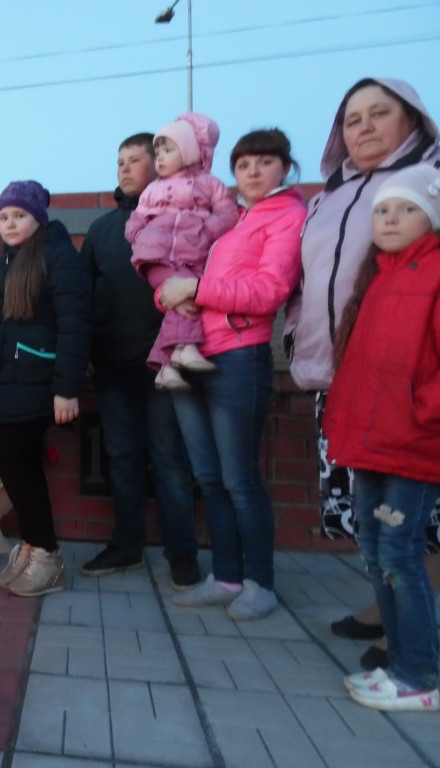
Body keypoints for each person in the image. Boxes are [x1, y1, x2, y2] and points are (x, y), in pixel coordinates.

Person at [285, 77, 440, 665]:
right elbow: (306, 277)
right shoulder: (328, 197)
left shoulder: (428, 184)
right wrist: (297, 335)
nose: (364, 127)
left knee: (416, 519)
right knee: (362, 510)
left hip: (408, 388)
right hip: (341, 375)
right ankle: (386, 608)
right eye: (352, 119)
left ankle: (413, 634)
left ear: (413, 120)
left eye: (380, 113)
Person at [159, 129, 306, 620]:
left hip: (239, 356)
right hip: (190, 355)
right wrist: (170, 291)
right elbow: (177, 277)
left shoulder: (288, 216)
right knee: (208, 476)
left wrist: (195, 289)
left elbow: (269, 290)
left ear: (285, 167)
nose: (253, 172)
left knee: (239, 477)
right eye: (243, 165)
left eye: (265, 162)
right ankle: (226, 577)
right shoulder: (229, 220)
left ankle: (260, 583)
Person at [326, 163, 440, 712]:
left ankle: (419, 675)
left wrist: (423, 414)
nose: (391, 218)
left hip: (412, 444)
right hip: (371, 441)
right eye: (382, 210)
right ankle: (398, 664)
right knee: (374, 551)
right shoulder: (379, 276)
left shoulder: (433, 273)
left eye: (407, 208)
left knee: (399, 554)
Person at [80, 133, 201, 589]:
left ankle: (182, 555)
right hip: (113, 367)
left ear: (159, 165)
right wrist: (87, 354)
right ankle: (126, 545)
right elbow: (83, 298)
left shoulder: (180, 221)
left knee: (170, 459)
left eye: (135, 160)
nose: (125, 168)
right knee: (122, 457)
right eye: (120, 161)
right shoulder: (101, 231)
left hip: (165, 365)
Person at [0, 180, 91, 597]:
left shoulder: (57, 257)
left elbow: (75, 324)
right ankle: (31, 544)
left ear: (39, 218)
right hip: (8, 383)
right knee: (14, 462)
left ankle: (47, 554)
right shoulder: (2, 265)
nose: (10, 223)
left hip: (39, 383)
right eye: (4, 217)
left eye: (20, 215)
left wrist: (66, 389)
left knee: (15, 461)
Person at [126, 112, 238, 391]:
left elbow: (227, 213)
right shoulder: (153, 189)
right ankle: (184, 348)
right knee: (186, 297)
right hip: (156, 258)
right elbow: (135, 220)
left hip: (191, 255)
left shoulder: (210, 185)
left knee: (186, 299)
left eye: (168, 151)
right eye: (157, 153)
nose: (160, 158)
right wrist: (141, 237)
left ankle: (166, 367)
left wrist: (205, 231)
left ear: (188, 152)